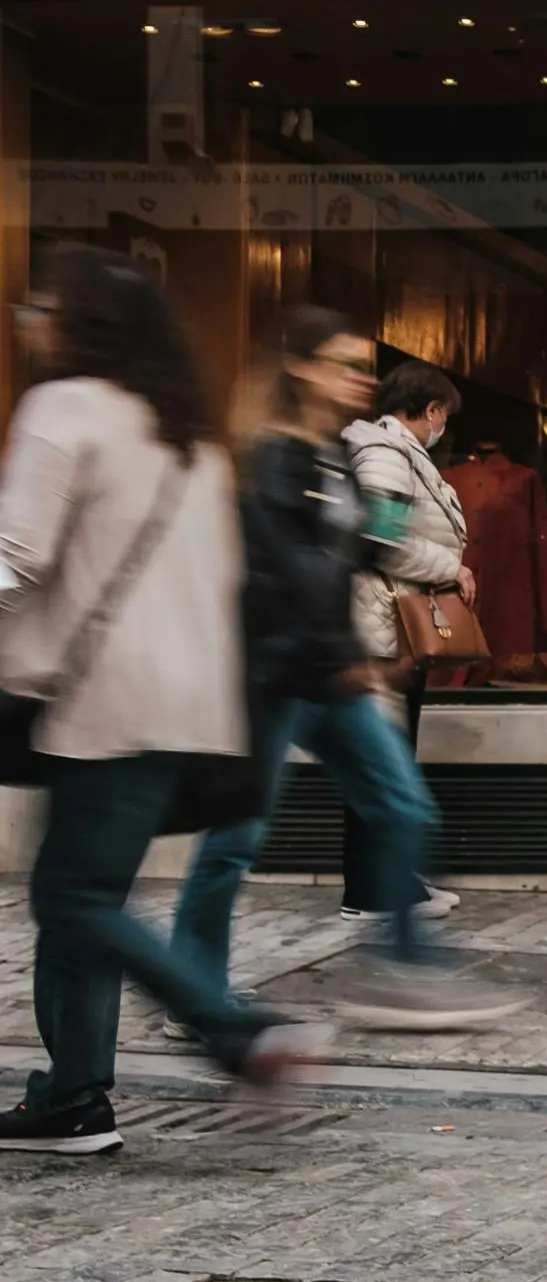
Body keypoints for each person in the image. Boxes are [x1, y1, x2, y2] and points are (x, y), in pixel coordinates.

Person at [0, 248, 329, 1156]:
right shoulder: (182, 435)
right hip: (184, 701)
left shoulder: (64, 408)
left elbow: (15, 555)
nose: (30, 321)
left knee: (75, 896)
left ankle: (234, 1028)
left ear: (80, 323)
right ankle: (72, 1094)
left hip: (102, 697)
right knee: (79, 889)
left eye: (42, 306)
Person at [170, 308, 519, 1034]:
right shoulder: (274, 458)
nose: (360, 377)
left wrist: (357, 654)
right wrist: (349, 654)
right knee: (234, 837)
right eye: (343, 362)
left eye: (363, 364)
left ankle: (405, 973)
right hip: (277, 676)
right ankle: (195, 995)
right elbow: (285, 577)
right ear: (301, 367)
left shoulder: (330, 455)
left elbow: (348, 556)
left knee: (402, 807)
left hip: (332, 671)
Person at [338, 359, 474, 924]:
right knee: (381, 756)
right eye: (445, 416)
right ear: (433, 410)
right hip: (380, 629)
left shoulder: (396, 455)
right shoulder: (387, 455)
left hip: (392, 624)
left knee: (388, 752)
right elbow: (379, 535)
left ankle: (387, 878)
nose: (445, 428)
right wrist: (451, 566)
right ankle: (371, 890)